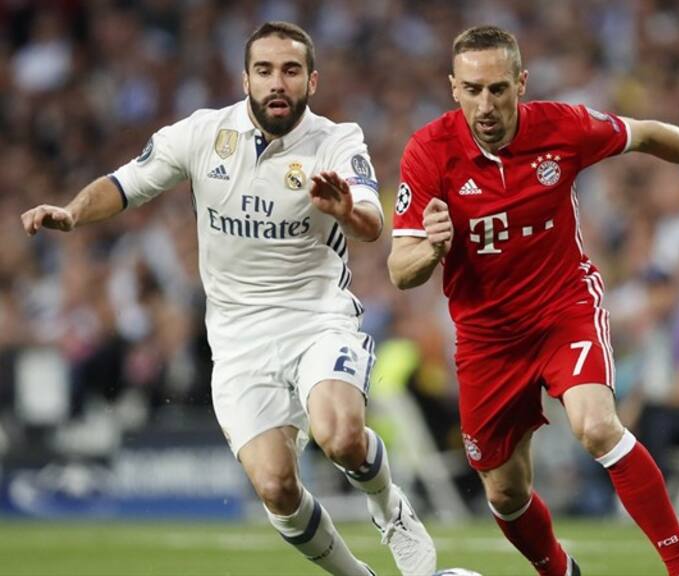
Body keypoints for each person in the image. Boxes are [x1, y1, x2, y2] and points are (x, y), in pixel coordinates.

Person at [21, 21, 436, 576]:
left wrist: (344, 211)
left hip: (316, 319)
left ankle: (393, 512)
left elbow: (370, 223)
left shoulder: (338, 140)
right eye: (264, 70)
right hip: (238, 340)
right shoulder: (201, 135)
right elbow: (123, 184)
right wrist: (72, 213)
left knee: (341, 436)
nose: (277, 82)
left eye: (291, 70)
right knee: (276, 486)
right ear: (245, 78)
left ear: (312, 80)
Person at [388, 25, 679, 576]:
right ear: (453, 87)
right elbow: (401, 271)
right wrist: (431, 250)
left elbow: (649, 133)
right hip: (487, 337)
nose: (486, 104)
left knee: (596, 426)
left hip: (563, 308)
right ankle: (562, 572)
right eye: (472, 90)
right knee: (505, 493)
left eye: (498, 89)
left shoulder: (561, 127)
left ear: (522, 83)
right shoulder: (429, 152)